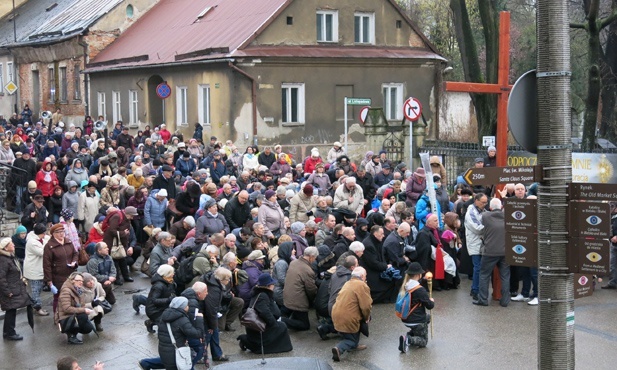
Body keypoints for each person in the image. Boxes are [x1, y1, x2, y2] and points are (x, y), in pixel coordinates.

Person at [237, 272, 293, 354]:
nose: (274, 286)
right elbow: (264, 312)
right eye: (272, 284)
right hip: (261, 326)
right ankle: (252, 344)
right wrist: (274, 324)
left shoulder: (261, 293)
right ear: (268, 286)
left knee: (281, 326)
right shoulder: (262, 295)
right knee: (282, 326)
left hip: (262, 324)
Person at [331, 266, 373, 362]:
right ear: (362, 276)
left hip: (336, 314)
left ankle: (351, 342)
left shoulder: (347, 283)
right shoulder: (361, 285)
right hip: (348, 318)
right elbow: (366, 306)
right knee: (352, 341)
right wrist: (367, 318)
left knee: (349, 331)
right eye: (365, 276)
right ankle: (339, 348)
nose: (366, 278)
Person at [474, 198, 510, 307]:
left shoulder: (486, 216)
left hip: (489, 251)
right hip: (505, 251)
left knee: (484, 275)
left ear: (490, 207)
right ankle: (505, 301)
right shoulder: (508, 216)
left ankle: (483, 300)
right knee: (505, 276)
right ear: (501, 207)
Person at [156, 297, 204, 370]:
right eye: (187, 305)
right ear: (183, 307)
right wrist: (199, 319)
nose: (188, 307)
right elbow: (197, 334)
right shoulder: (182, 319)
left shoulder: (163, 316)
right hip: (176, 353)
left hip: (164, 351)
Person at [397, 262, 434, 353]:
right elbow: (430, 306)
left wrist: (424, 279)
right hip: (416, 320)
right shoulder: (420, 290)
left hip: (405, 318)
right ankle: (408, 340)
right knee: (424, 342)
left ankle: (412, 333)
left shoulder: (406, 285)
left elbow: (416, 285)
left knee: (428, 318)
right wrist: (432, 301)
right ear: (418, 274)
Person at [0, 238, 32, 341]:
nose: (14, 245)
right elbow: (1, 278)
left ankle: (8, 332)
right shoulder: (3, 259)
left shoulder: (10, 257)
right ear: (6, 247)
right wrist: (7, 291)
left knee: (12, 310)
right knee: (10, 310)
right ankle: (9, 333)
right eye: (11, 244)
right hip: (9, 290)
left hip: (14, 288)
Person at [44, 223, 78, 313]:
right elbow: (46, 265)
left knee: (73, 295)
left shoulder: (68, 242)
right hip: (58, 276)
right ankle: (57, 317)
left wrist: (74, 262)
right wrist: (49, 282)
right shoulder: (49, 246)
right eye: (58, 232)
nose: (61, 234)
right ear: (53, 234)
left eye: (62, 231)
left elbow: (75, 253)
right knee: (58, 297)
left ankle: (71, 316)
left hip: (71, 275)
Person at [282, 246, 318, 331]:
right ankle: (282, 321)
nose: (315, 260)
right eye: (315, 258)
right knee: (305, 325)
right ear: (311, 257)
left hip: (287, 297)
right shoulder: (308, 270)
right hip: (298, 302)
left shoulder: (293, 263)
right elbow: (311, 290)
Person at [56, 272, 96, 344]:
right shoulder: (66, 291)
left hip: (73, 315)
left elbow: (82, 305)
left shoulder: (78, 290)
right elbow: (66, 308)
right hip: (64, 318)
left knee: (88, 328)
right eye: (79, 280)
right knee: (83, 316)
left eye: (82, 281)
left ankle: (74, 331)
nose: (81, 282)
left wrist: (89, 307)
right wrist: (83, 310)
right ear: (72, 280)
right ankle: (71, 336)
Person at [202, 267, 231, 362]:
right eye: (227, 279)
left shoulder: (212, 281)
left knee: (213, 333)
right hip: (206, 314)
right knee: (210, 333)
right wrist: (212, 325)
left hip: (206, 312)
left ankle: (216, 354)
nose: (229, 281)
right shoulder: (214, 289)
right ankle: (202, 356)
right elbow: (211, 309)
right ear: (221, 279)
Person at [360, 225, 395, 303]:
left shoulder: (376, 241)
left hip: (376, 267)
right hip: (371, 271)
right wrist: (386, 266)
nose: (383, 235)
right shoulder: (369, 245)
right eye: (381, 234)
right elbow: (373, 263)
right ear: (375, 234)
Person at [24, 223, 50, 316]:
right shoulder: (32, 242)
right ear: (41, 233)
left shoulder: (41, 239)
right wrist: (49, 243)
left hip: (39, 269)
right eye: (44, 233)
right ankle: (37, 308)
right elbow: (43, 252)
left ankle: (35, 306)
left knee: (38, 289)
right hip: (33, 270)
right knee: (36, 290)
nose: (46, 235)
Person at [465, 193, 487, 301]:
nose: (485, 204)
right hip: (475, 243)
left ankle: (477, 289)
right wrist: (490, 227)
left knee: (480, 267)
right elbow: (478, 228)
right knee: (478, 268)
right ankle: (475, 290)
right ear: (476, 201)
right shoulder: (470, 212)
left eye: (486, 202)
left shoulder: (483, 211)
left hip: (482, 243)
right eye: (483, 202)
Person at [145, 265, 177, 334]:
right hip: (154, 311)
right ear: (166, 274)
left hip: (163, 307)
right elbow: (155, 300)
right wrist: (168, 299)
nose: (173, 274)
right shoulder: (158, 286)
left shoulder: (169, 281)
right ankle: (151, 322)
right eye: (172, 272)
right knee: (165, 327)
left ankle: (152, 322)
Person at [602, 202, 617, 290]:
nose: (611, 209)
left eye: (612, 206)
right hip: (613, 244)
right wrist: (610, 237)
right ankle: (612, 283)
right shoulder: (610, 217)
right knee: (612, 265)